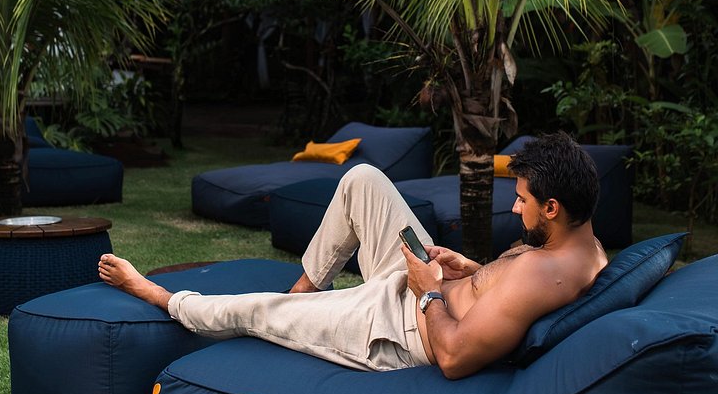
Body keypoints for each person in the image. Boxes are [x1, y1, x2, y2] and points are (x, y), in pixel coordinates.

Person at [98, 132, 608, 379]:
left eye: (522, 200)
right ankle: (308, 289)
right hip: (423, 288)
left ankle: (161, 296)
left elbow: (452, 359)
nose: (515, 207)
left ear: (553, 206)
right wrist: (473, 271)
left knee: (257, 309)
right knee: (362, 180)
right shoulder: (582, 244)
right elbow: (507, 290)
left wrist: (428, 289)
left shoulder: (544, 274)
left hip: (400, 324)